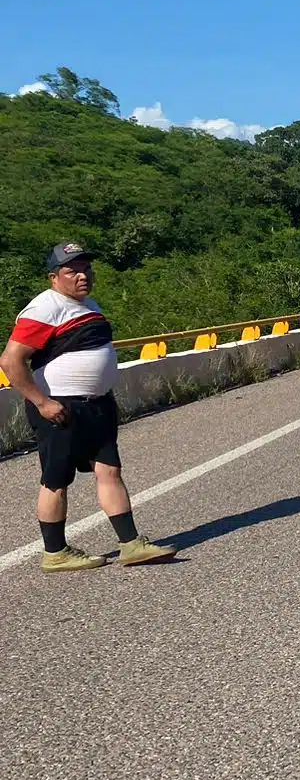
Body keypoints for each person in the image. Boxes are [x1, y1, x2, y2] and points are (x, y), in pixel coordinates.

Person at [0, 243, 175, 572]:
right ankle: (55, 552)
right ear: (54, 278)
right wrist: (42, 403)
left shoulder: (87, 306)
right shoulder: (44, 308)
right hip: (59, 408)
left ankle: (131, 545)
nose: (83, 276)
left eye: (86, 269)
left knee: (109, 471)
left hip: (96, 405)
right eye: (73, 271)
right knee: (56, 479)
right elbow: (11, 361)